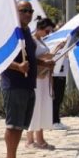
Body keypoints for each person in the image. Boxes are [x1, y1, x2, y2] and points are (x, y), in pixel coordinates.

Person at [0, 0, 38, 158]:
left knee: (20, 125)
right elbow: (0, 58)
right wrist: (18, 67)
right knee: (13, 125)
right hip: (14, 85)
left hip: (28, 85)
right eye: (24, 10)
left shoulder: (26, 31)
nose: (28, 14)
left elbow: (29, 58)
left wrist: (44, 62)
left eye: (30, 11)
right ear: (15, 12)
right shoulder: (10, 32)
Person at [25, 17, 56, 151]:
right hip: (36, 78)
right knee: (34, 108)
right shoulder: (31, 40)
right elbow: (31, 59)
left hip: (44, 78)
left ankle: (40, 138)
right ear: (40, 28)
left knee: (42, 107)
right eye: (47, 31)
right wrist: (48, 57)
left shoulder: (40, 41)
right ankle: (30, 139)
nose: (48, 34)